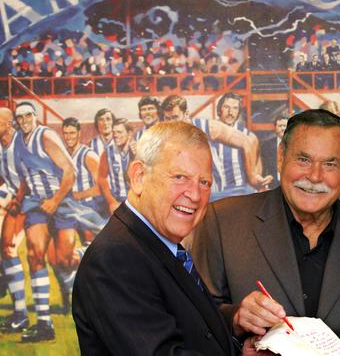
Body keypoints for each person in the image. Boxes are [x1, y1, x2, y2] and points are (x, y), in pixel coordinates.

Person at [192, 109, 340, 354]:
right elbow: (193, 319)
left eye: (330, 163)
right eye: (303, 159)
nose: (314, 176)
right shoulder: (222, 222)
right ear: (280, 157)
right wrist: (235, 320)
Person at [72, 121, 236, 355]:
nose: (194, 194)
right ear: (138, 176)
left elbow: (191, 325)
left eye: (204, 182)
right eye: (180, 176)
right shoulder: (116, 258)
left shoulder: (159, 242)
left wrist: (238, 333)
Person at [14, 101, 80, 342]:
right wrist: (19, 199)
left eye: (27, 115)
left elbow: (70, 171)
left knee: (64, 258)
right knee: (35, 254)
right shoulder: (17, 143)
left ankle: (82, 261)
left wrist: (55, 199)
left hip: (60, 200)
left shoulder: (46, 136)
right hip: (35, 204)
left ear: (35, 116)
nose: (23, 121)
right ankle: (44, 323)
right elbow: (23, 177)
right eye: (19, 117)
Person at [159, 94, 271, 201]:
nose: (171, 123)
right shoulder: (166, 136)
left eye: (175, 117)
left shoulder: (207, 127)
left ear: (186, 114)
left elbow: (247, 141)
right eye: (167, 118)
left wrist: (252, 177)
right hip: (194, 194)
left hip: (223, 193)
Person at [0, 107, 28, 334]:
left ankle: (22, 313)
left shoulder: (21, 142)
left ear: (9, 123)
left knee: (9, 249)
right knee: (7, 251)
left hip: (31, 200)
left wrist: (15, 201)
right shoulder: (1, 146)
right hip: (14, 199)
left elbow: (29, 176)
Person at [212, 93, 263, 198]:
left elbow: (256, 166)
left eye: (235, 108)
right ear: (219, 110)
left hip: (241, 192)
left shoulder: (247, 135)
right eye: (226, 107)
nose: (230, 112)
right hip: (215, 194)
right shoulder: (208, 133)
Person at [97, 118, 132, 213]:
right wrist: (111, 201)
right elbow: (101, 178)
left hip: (137, 200)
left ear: (129, 134)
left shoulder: (138, 150)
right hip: (118, 199)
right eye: (114, 132)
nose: (116, 135)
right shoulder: (108, 152)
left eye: (119, 132)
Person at [260, 112, 289, 190]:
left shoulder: (297, 145)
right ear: (275, 127)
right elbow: (263, 166)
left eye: (285, 126)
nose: (283, 128)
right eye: (280, 126)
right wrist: (264, 184)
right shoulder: (266, 145)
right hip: (273, 186)